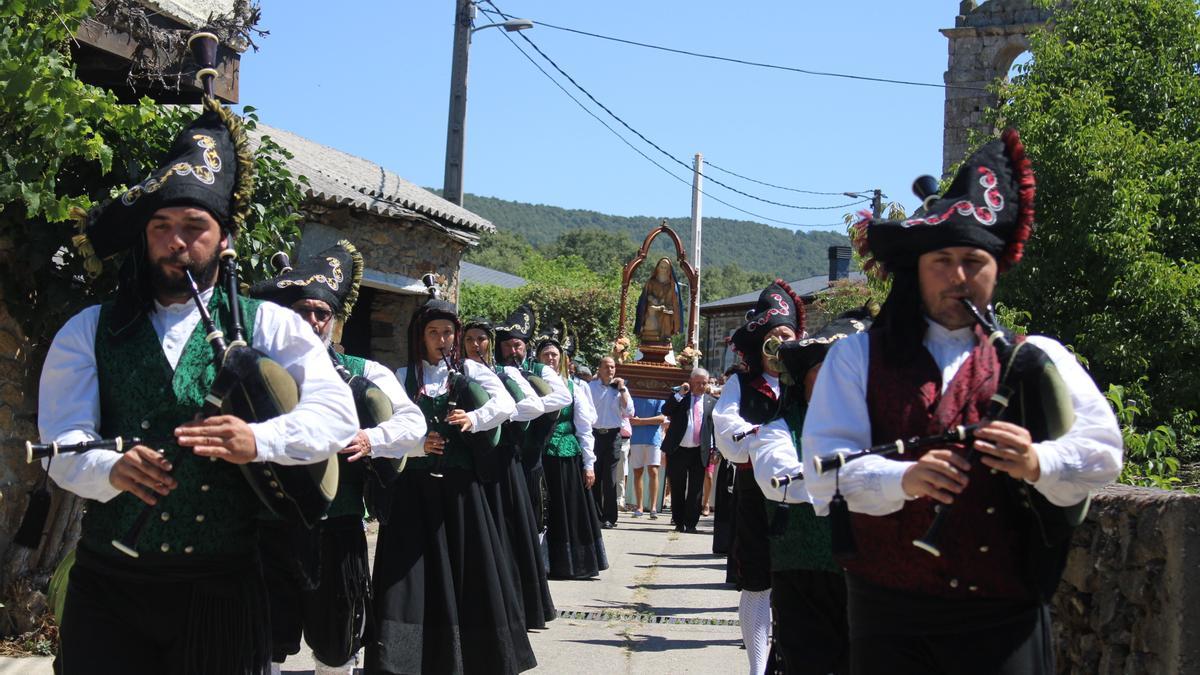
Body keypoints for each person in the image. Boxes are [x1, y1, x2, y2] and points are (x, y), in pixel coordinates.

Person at [40, 97, 358, 675]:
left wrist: (259, 440)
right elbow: (64, 441)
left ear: (223, 239)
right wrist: (106, 469)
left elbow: (337, 413)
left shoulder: (270, 323)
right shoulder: (89, 329)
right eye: (161, 227)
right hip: (109, 585)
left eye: (194, 227)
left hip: (222, 584)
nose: (176, 241)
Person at [802, 129, 1123, 675]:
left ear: (996, 268)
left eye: (974, 260)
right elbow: (822, 474)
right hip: (888, 616)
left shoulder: (1033, 359)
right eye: (942, 261)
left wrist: (1037, 462)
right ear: (917, 271)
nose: (958, 277)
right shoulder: (857, 358)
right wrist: (905, 479)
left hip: (1003, 617)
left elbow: (1103, 453)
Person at [248, 240, 427, 675]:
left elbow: (414, 425)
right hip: (265, 526)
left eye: (321, 313)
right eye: (302, 311)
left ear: (334, 321)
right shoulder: (251, 370)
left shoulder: (366, 373)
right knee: (259, 641)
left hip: (338, 525)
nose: (311, 321)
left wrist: (371, 438)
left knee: (338, 641)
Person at [368, 287, 534, 674]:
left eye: (447, 333)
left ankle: (473, 657)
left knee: (468, 573)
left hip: (460, 490)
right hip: (415, 491)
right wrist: (417, 442)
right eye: (434, 333)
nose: (442, 340)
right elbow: (387, 422)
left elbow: (506, 405)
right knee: (408, 577)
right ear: (420, 336)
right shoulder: (404, 375)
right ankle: (403, 658)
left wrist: (473, 420)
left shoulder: (471, 371)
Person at [743, 308, 875, 675]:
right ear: (804, 380)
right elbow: (777, 480)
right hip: (803, 576)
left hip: (869, 576)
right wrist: (859, 476)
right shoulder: (779, 428)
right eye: (826, 371)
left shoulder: (879, 428)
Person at [713, 280, 807, 675]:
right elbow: (726, 431)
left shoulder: (806, 384)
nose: (779, 345)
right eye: (773, 337)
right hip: (754, 493)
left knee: (798, 582)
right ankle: (756, 667)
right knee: (756, 581)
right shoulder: (740, 383)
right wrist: (760, 438)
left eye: (786, 337)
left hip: (802, 497)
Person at [463, 313, 556, 631]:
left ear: (490, 344)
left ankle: (518, 608)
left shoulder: (505, 375)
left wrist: (492, 415)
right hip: (472, 468)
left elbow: (535, 405)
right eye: (470, 339)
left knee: (511, 533)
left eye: (481, 339)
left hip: (506, 464)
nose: (476, 345)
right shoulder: (457, 373)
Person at [536, 328, 609, 579]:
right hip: (539, 455)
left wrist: (589, 464)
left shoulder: (574, 388)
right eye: (545, 354)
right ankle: (542, 563)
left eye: (554, 354)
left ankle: (571, 564)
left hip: (566, 457)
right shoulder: (529, 384)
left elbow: (585, 427)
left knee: (568, 509)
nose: (550, 358)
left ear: (564, 359)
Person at [493, 307, 572, 534]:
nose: (512, 351)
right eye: (507, 346)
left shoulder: (540, 370)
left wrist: (525, 409)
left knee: (532, 514)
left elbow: (563, 397)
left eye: (517, 345)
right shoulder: (494, 370)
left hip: (531, 452)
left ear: (525, 346)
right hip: (502, 453)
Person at [661, 367, 716, 533]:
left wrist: (716, 450)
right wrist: (680, 394)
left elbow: (714, 429)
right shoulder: (680, 398)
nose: (700, 386)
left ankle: (691, 523)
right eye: (697, 383)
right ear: (691, 382)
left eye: (704, 383)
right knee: (677, 486)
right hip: (678, 450)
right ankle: (678, 521)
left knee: (696, 488)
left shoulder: (711, 402)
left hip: (699, 451)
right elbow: (666, 410)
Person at [588, 356, 634, 528]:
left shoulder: (621, 389)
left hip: (613, 436)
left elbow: (629, 411)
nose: (610, 370)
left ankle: (609, 517)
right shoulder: (590, 387)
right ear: (599, 369)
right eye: (606, 367)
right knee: (594, 476)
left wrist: (622, 389)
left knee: (610, 478)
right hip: (594, 435)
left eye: (613, 367)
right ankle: (594, 515)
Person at [628, 396, 666, 518]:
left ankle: (653, 507)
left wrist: (640, 421)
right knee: (638, 472)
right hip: (636, 438)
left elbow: (661, 418)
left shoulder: (658, 396)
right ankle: (639, 506)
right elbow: (629, 415)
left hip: (653, 439)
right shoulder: (634, 396)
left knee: (653, 472)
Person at [634, 257, 685, 343]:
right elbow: (645, 297)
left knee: (666, 316)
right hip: (652, 308)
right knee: (650, 313)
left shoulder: (672, 286)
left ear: (668, 270)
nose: (663, 269)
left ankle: (665, 337)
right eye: (661, 267)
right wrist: (652, 299)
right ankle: (647, 334)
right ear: (657, 267)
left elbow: (674, 303)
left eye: (665, 268)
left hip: (666, 309)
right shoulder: (651, 282)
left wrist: (662, 307)